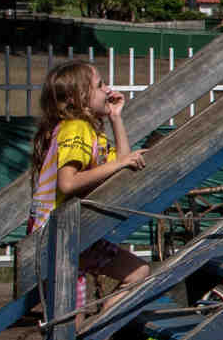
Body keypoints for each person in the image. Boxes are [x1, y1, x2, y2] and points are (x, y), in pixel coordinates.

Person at [29, 60, 150, 314]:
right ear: (79, 99)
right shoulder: (76, 129)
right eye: (99, 85)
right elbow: (68, 182)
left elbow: (121, 165)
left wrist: (116, 118)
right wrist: (120, 164)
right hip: (58, 235)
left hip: (75, 233)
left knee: (138, 272)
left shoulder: (89, 132)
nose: (107, 89)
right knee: (70, 322)